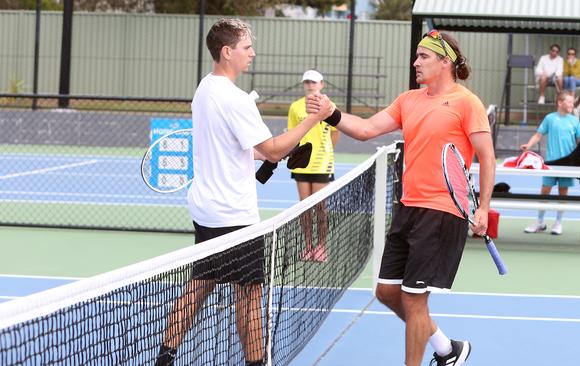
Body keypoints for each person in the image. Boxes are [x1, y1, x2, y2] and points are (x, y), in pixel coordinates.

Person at [307, 29, 495, 366]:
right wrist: (331, 112)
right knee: (386, 292)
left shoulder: (467, 103)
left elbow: (487, 156)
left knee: (414, 299)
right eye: (417, 56)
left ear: (445, 61)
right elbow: (365, 130)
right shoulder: (409, 100)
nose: (415, 62)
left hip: (442, 211)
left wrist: (483, 207)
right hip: (408, 208)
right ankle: (447, 348)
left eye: (423, 56)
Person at [155, 18, 333, 366]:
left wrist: (264, 152)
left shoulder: (204, 88)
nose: (252, 53)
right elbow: (274, 150)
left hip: (206, 208)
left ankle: (165, 357)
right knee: (250, 294)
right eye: (246, 47)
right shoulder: (236, 99)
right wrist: (316, 117)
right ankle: (255, 363)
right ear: (227, 52)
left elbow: (239, 147)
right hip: (234, 215)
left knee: (200, 282)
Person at [287, 69, 340, 262]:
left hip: (321, 165)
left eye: (314, 82)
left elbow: (335, 132)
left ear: (322, 84)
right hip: (301, 165)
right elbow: (293, 134)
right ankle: (308, 246)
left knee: (321, 208)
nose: (310, 85)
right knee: (304, 208)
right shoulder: (295, 107)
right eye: (307, 82)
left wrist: (325, 152)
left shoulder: (329, 106)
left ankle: (321, 247)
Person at [520, 90, 580, 235]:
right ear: (560, 102)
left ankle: (558, 223)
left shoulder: (574, 121)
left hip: (567, 164)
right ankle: (540, 222)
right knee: (545, 192)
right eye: (569, 101)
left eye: (572, 102)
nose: (571, 104)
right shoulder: (550, 118)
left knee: (563, 193)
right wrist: (528, 145)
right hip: (550, 163)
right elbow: (538, 135)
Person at [563, 47, 580, 117]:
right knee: (567, 79)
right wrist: (568, 64)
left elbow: (575, 73)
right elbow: (566, 73)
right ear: (567, 55)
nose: (571, 55)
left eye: (572, 54)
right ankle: (568, 100)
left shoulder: (578, 61)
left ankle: (572, 100)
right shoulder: (565, 62)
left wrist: (571, 65)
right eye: (569, 54)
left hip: (579, 80)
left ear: (575, 55)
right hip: (570, 80)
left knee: (571, 78)